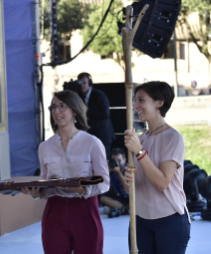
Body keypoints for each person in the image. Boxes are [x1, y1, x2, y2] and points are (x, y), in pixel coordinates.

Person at [22, 90, 110, 254]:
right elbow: (45, 181)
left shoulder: (92, 143)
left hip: (85, 210)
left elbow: (105, 183)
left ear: (75, 110)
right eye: (53, 107)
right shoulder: (45, 147)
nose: (56, 111)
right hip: (54, 211)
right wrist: (37, 192)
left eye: (62, 106)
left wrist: (84, 189)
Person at [124, 81, 191, 254]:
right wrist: (127, 178)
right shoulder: (138, 140)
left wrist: (139, 152)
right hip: (139, 220)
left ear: (159, 102)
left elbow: (162, 183)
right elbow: (129, 189)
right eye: (135, 100)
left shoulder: (173, 138)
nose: (135, 105)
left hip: (169, 221)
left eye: (141, 100)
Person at [77, 72, 115, 158]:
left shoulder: (99, 95)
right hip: (91, 135)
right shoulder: (80, 96)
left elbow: (105, 114)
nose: (82, 86)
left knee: (104, 160)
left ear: (90, 83)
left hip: (102, 135)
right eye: (80, 83)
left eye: (84, 83)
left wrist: (88, 111)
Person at [99, 148, 129, 218]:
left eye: (118, 160)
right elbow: (104, 189)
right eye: (114, 160)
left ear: (124, 160)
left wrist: (118, 172)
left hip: (128, 198)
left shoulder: (128, 169)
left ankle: (118, 208)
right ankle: (124, 209)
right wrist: (104, 170)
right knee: (102, 198)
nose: (116, 163)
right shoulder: (110, 169)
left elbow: (127, 188)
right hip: (116, 198)